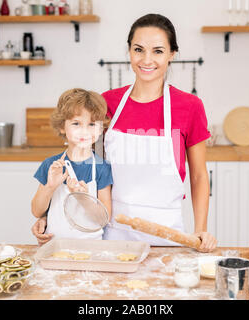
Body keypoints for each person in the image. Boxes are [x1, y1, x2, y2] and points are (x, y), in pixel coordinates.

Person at [32, 13, 217, 252]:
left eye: (158, 51)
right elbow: (82, 163)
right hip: (112, 232)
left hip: (167, 235)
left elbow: (199, 176)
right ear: (129, 51)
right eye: (139, 49)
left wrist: (200, 229)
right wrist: (50, 214)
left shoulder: (190, 106)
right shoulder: (108, 102)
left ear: (172, 54)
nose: (147, 59)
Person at [31, 88, 113, 245]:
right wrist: (50, 187)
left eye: (91, 124)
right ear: (62, 126)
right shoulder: (51, 165)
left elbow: (104, 218)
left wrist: (82, 198)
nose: (84, 131)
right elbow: (36, 211)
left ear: (101, 128)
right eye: (76, 123)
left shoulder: (102, 168)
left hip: (91, 248)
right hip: (54, 247)